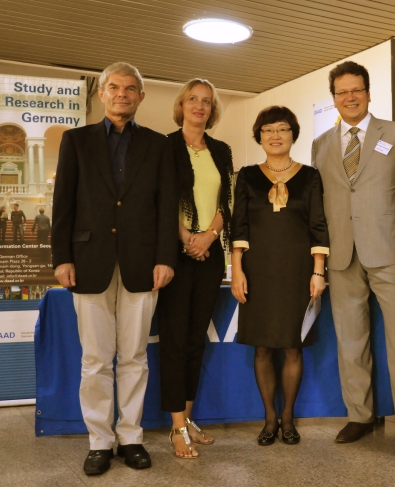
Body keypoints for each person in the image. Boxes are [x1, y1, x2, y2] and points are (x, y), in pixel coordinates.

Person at [52, 62, 178, 476]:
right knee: (95, 359)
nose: (122, 94)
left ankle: (131, 437)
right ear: (102, 94)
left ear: (141, 97)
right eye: (114, 87)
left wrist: (165, 257)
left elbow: (165, 208)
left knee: (135, 357)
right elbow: (64, 204)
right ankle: (99, 441)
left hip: (143, 264)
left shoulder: (159, 145)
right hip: (89, 262)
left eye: (130, 88)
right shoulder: (76, 141)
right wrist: (61, 258)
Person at [311, 61, 395, 451]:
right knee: (351, 340)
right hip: (342, 254)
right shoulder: (321, 144)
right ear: (334, 98)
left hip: (392, 252)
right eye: (342, 92)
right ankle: (359, 416)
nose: (349, 97)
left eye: (356, 90)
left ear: (368, 92)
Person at [231, 106, 329, 446]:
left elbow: (318, 225)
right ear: (259, 136)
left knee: (292, 347)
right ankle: (269, 418)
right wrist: (237, 270)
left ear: (293, 135)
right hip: (258, 272)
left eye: (283, 129)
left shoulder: (310, 176)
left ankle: (288, 416)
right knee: (261, 348)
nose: (275, 135)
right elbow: (238, 226)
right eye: (268, 129)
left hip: (297, 271)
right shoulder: (246, 175)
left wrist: (318, 271)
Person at [156, 78, 233, 459]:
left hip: (210, 255)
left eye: (206, 101)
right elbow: (161, 201)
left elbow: (227, 201)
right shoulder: (165, 146)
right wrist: (188, 238)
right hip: (176, 253)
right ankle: (174, 428)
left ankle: (187, 420)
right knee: (173, 340)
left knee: (194, 341)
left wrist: (208, 236)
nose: (200, 106)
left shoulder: (221, 149)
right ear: (182, 105)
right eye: (193, 100)